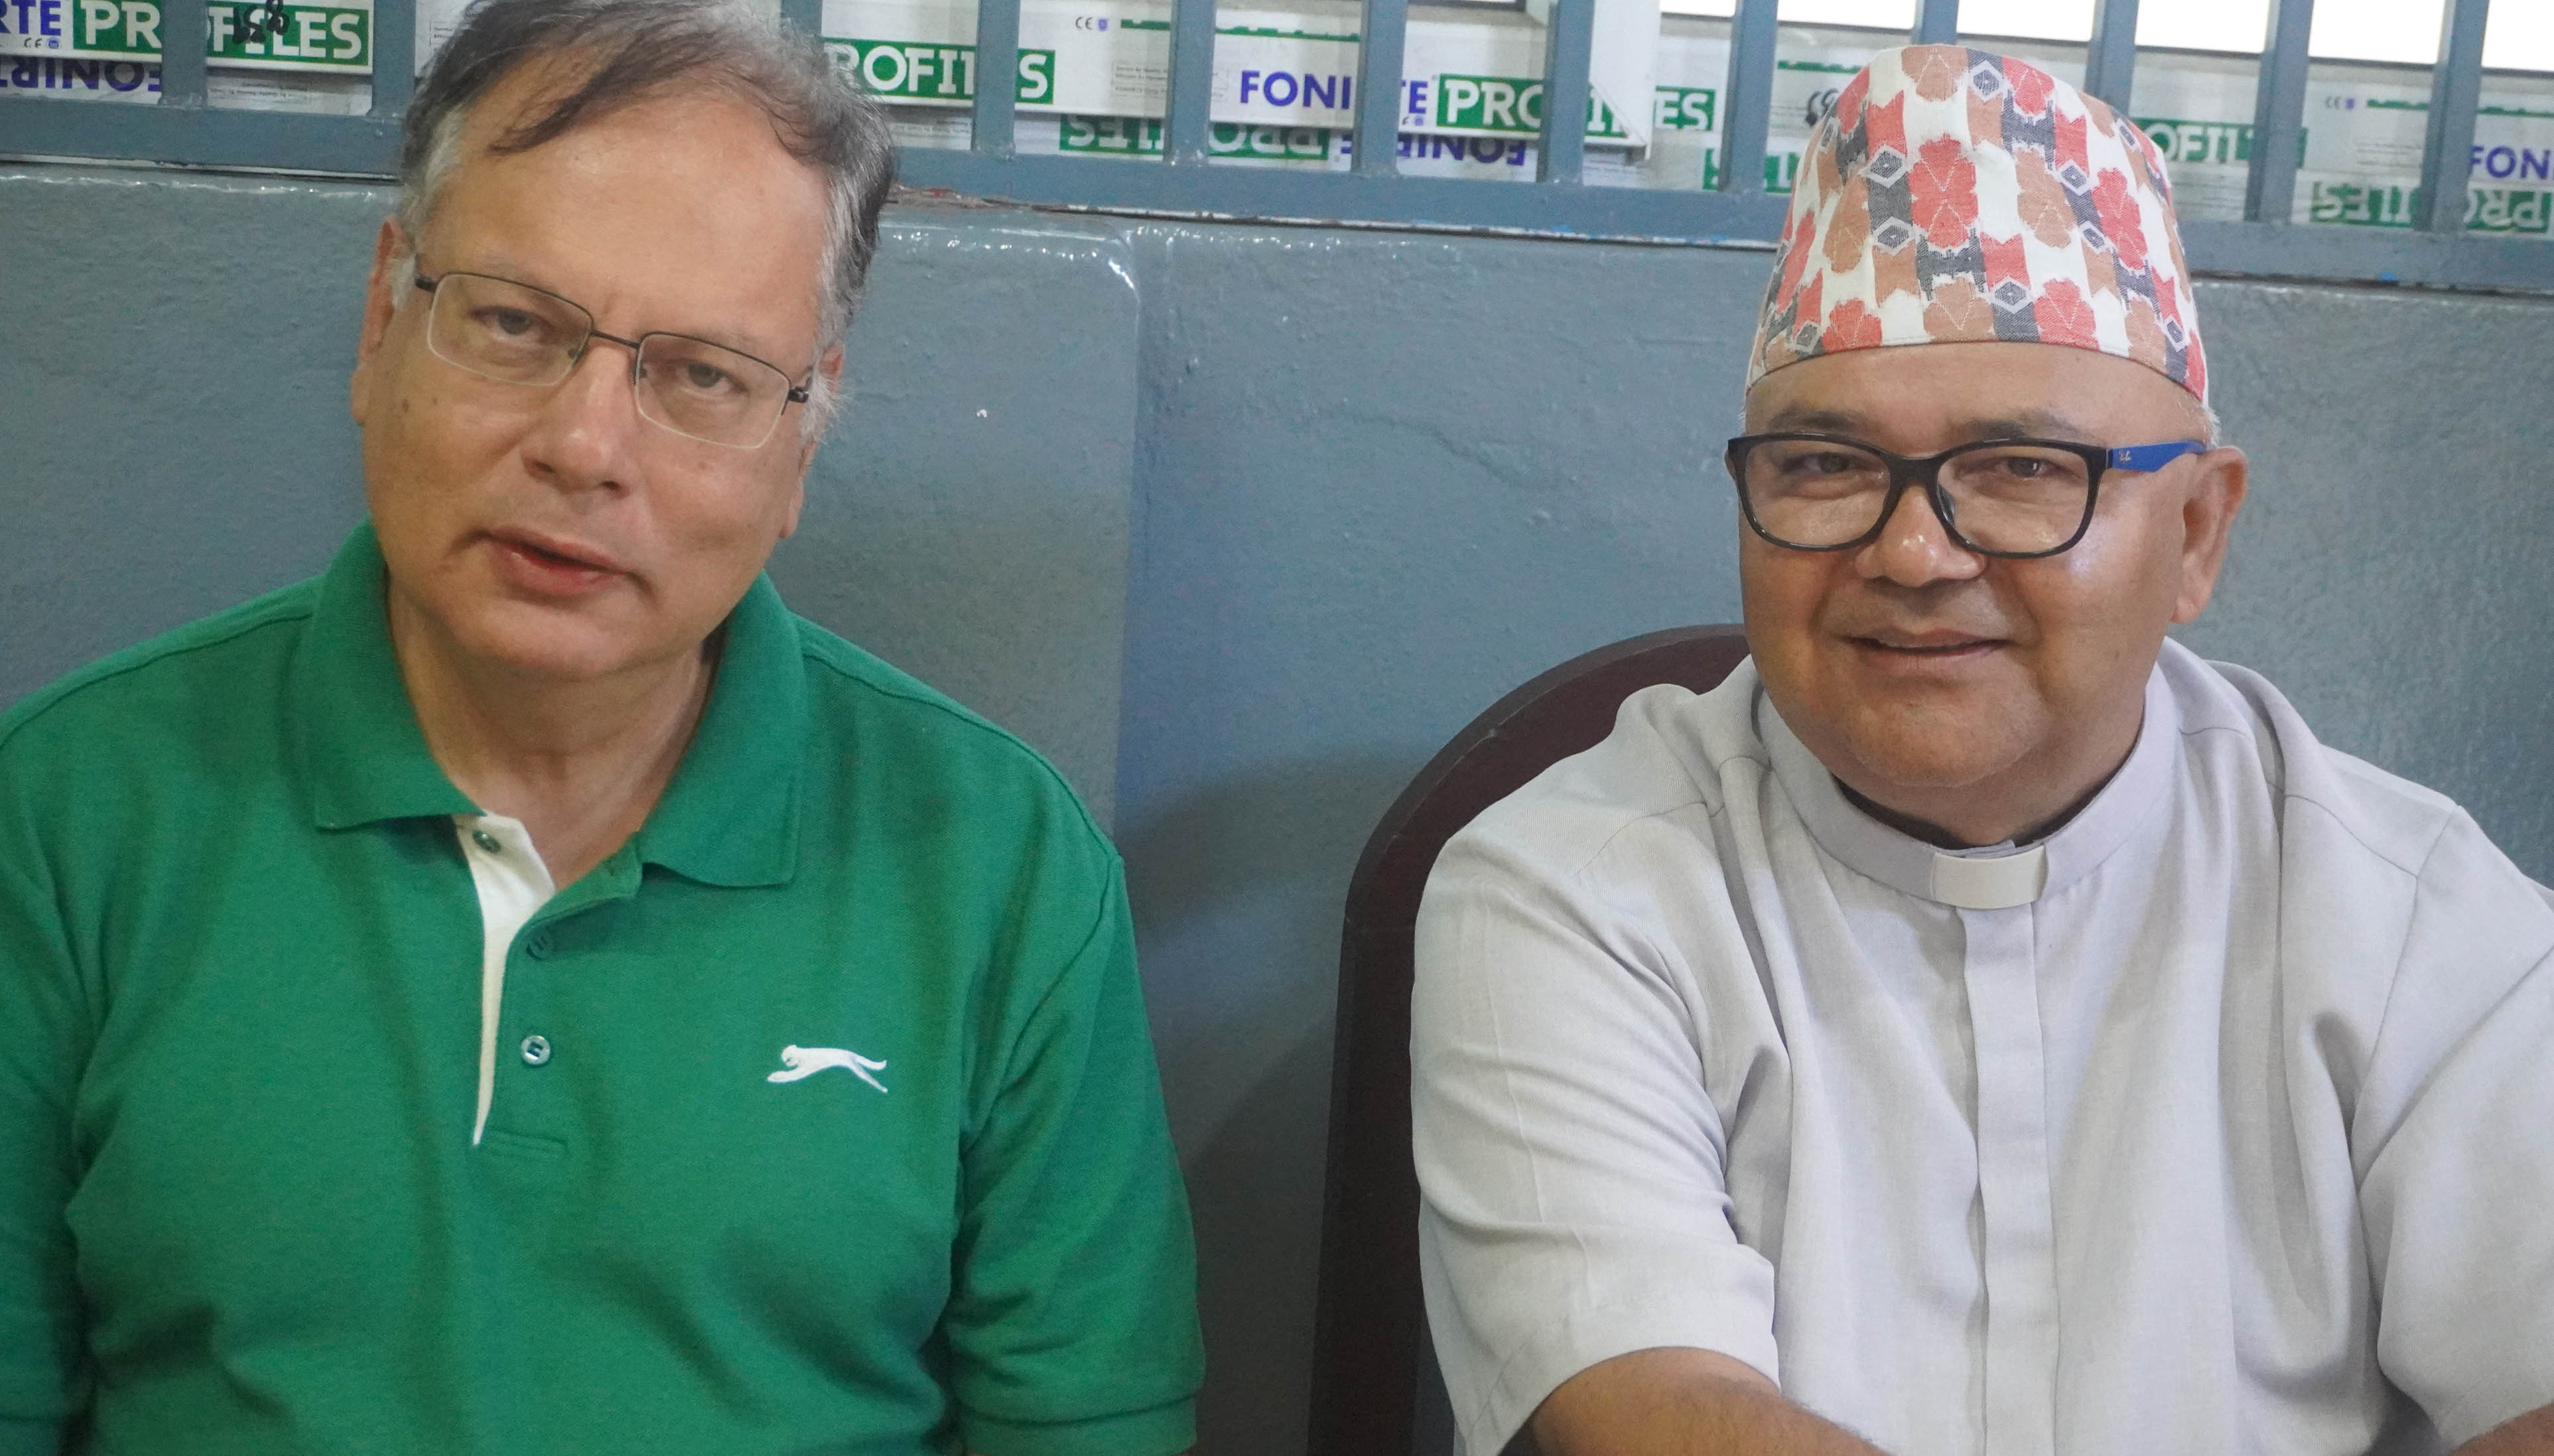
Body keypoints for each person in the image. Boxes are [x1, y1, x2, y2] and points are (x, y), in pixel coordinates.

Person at [0, 1, 1202, 1451]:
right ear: (384, 318)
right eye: (513, 324)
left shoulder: (1000, 868)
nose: (584, 447)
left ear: (804, 432)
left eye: (700, 374)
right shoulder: (70, 813)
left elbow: (1085, 1423)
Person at [1411, 44, 2554, 1456]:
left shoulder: (2412, 919)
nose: (1910, 552)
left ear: (2193, 533)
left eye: (2022, 471)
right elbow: (1660, 1411)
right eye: (1823, 467)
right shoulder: (1570, 888)